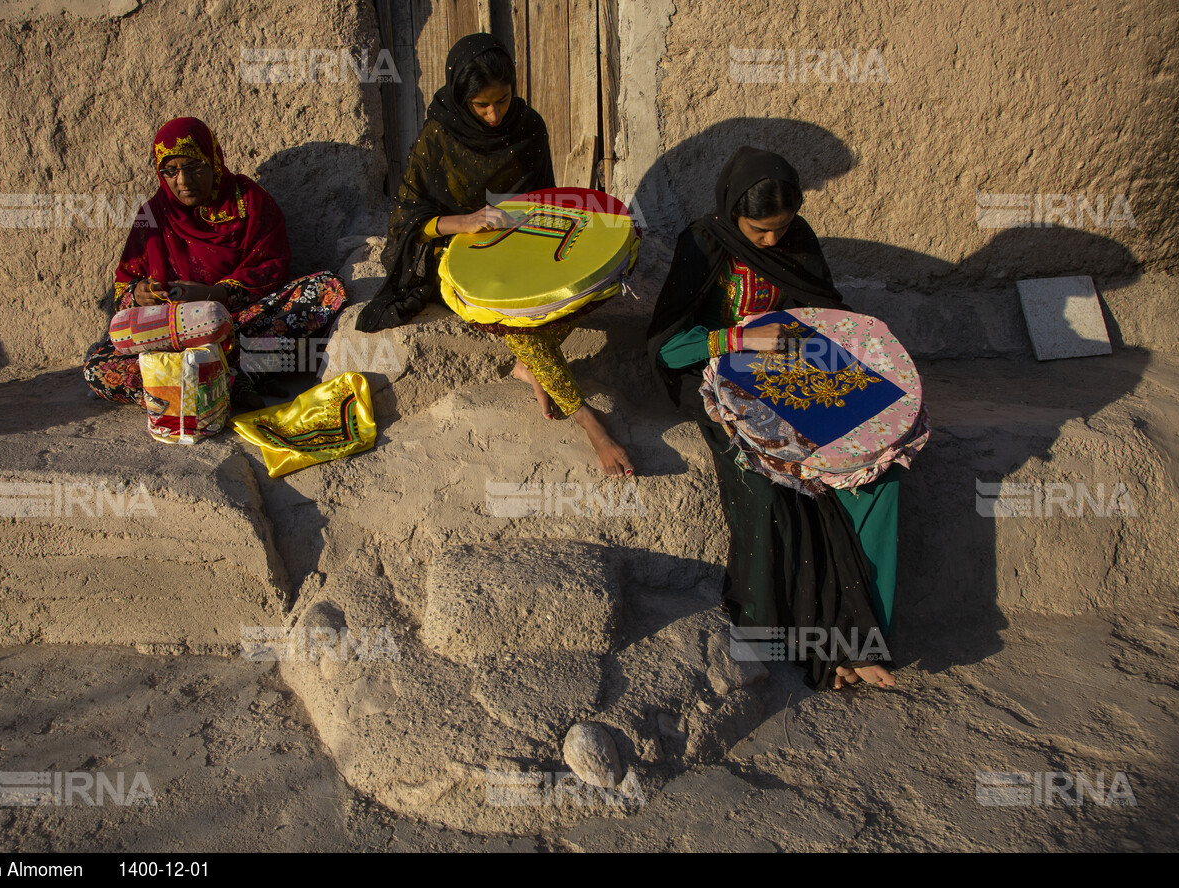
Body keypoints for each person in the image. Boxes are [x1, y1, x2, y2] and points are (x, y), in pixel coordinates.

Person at [647, 147, 899, 691]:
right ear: (732, 210)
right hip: (729, 387)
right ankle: (773, 640)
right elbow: (667, 347)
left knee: (877, 470)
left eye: (781, 229)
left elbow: (825, 309)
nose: (772, 242)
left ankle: (857, 642)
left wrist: (829, 347)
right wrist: (740, 337)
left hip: (798, 374)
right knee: (771, 491)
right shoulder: (704, 243)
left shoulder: (798, 238)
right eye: (760, 230)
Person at [356, 33, 633, 476]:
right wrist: (463, 222)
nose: (493, 115)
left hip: (519, 245)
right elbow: (407, 216)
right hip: (455, 250)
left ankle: (530, 369)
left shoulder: (529, 125)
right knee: (518, 328)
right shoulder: (440, 134)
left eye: (502, 101)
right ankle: (589, 423)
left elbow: (543, 202)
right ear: (461, 98)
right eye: (480, 106)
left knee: (590, 287)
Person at [82, 117, 347, 409]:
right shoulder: (153, 216)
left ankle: (203, 384)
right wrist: (138, 294)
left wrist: (215, 294)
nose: (182, 181)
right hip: (175, 338)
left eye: (193, 167)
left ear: (213, 161)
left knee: (325, 288)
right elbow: (123, 289)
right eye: (170, 171)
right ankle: (228, 380)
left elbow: (271, 268)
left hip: (239, 325)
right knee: (98, 368)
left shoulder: (248, 202)